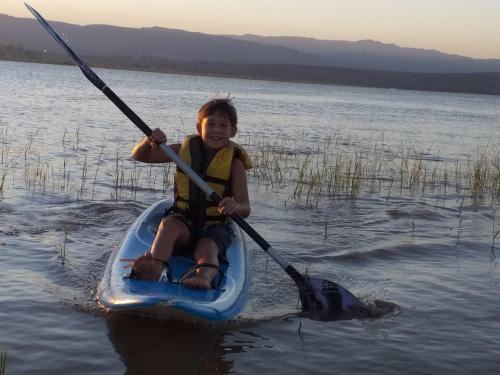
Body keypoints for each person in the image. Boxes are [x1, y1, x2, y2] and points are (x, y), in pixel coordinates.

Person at [130, 98, 252, 289]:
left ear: (233, 131)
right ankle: (155, 266)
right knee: (168, 225)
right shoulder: (181, 151)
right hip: (183, 221)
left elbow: (245, 209)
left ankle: (204, 276)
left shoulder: (235, 164)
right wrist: (149, 141)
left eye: (223, 125)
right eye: (210, 124)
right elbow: (140, 156)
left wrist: (235, 206)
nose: (217, 130)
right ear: (199, 127)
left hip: (215, 227)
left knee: (207, 246)